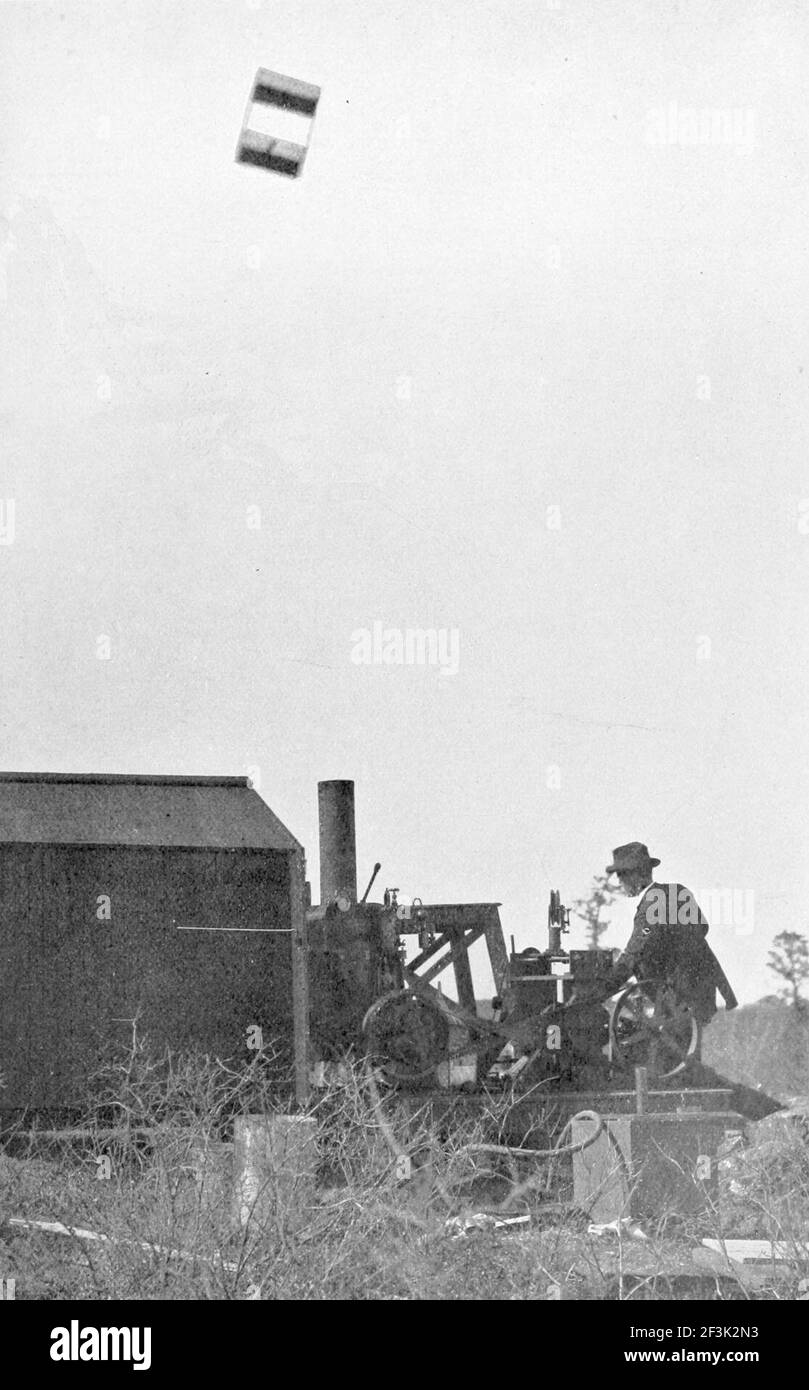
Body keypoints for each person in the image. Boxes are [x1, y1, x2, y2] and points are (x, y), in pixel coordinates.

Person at [602, 841, 738, 1024]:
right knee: (689, 1048)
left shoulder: (652, 904)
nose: (619, 881)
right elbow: (702, 927)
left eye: (621, 875)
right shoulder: (678, 892)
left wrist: (602, 989)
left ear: (635, 874)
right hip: (700, 994)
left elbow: (634, 952)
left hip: (676, 1001)